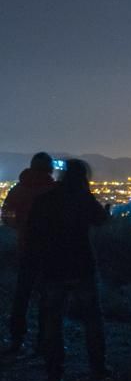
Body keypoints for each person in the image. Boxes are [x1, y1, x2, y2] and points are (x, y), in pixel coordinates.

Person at [26, 159, 109, 381]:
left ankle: (54, 370)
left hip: (53, 267)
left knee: (53, 320)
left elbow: (33, 232)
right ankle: (98, 366)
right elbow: (101, 219)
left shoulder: (46, 200)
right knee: (92, 318)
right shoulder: (83, 199)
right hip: (82, 265)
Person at [1, 152, 56, 355]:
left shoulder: (18, 190)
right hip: (50, 250)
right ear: (49, 168)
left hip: (25, 248)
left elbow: (6, 216)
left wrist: (20, 227)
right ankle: (43, 341)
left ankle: (17, 338)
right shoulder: (53, 191)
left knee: (22, 294)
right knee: (47, 297)